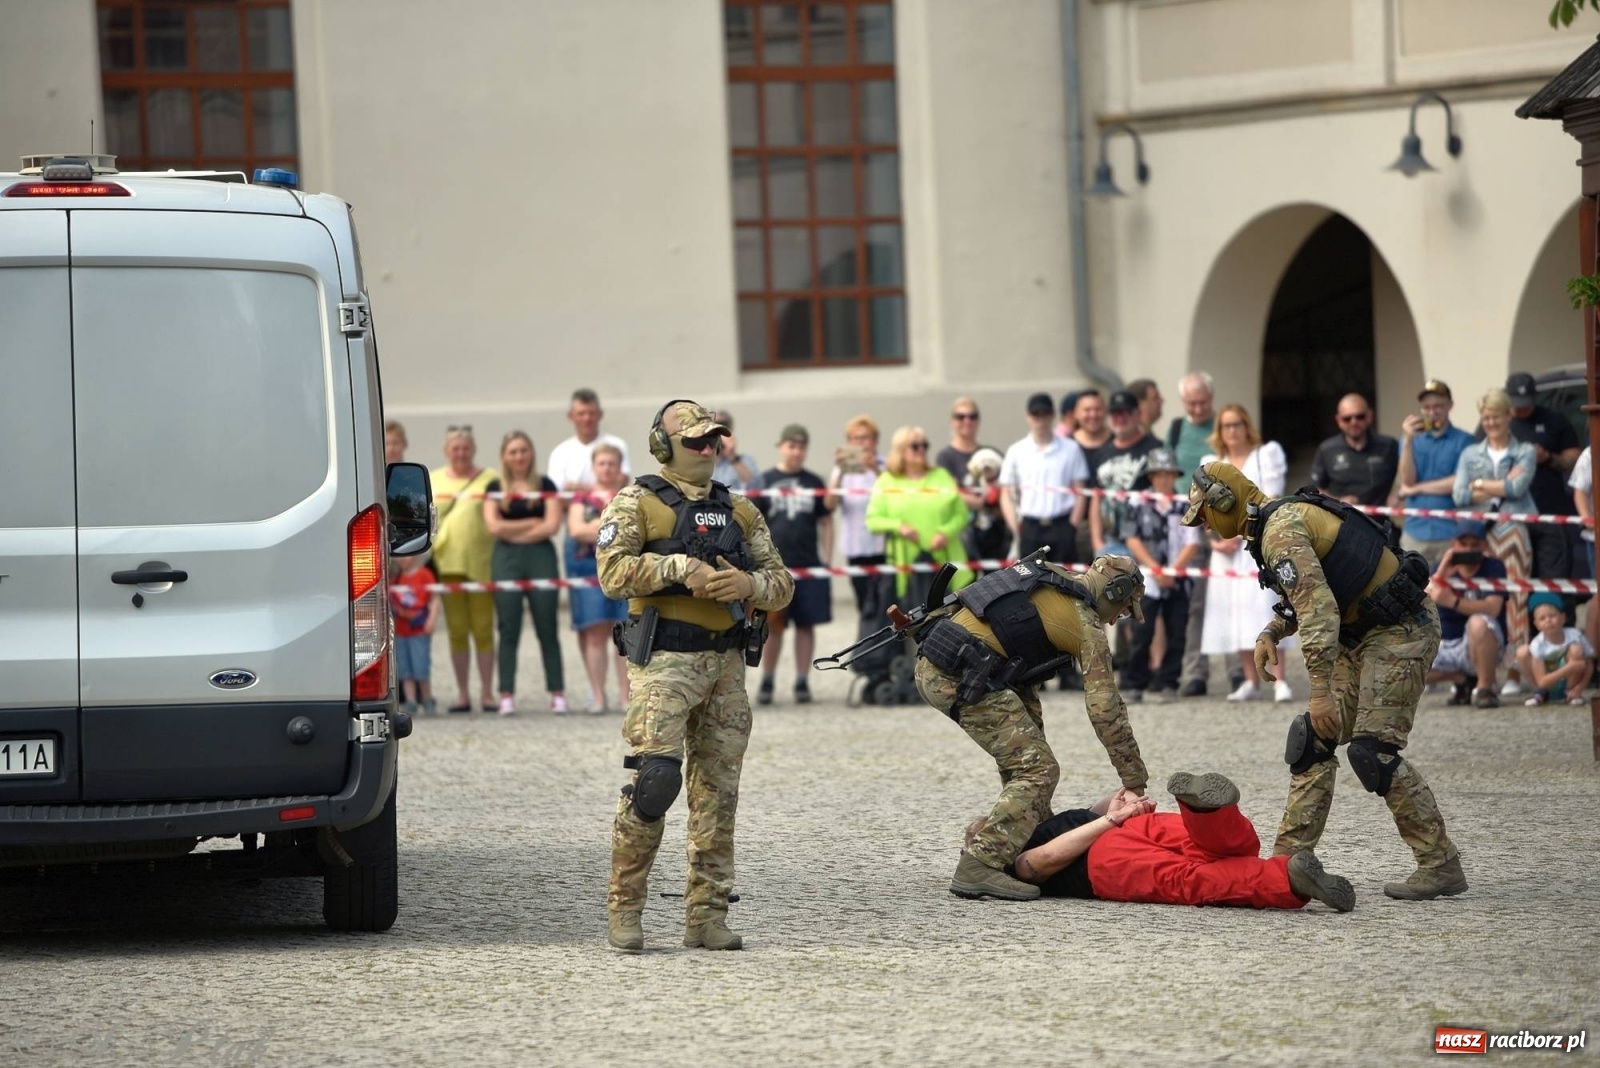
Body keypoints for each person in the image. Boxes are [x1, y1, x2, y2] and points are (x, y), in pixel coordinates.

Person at [1184, 460, 1467, 901]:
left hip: (1400, 629)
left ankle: (1440, 864)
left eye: (1205, 514)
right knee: (1313, 740)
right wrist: (1271, 632)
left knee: (1374, 753)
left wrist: (1319, 692)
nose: (1203, 524)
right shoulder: (1273, 526)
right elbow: (1312, 598)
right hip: (1362, 631)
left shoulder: (1279, 531)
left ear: (1225, 500)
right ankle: (1288, 863)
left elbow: (1319, 613)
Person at [599, 400, 794, 953]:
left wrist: (749, 588)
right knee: (654, 783)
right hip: (664, 664)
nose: (707, 451)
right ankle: (625, 910)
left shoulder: (739, 510)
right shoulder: (636, 502)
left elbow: (782, 581)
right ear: (664, 447)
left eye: (714, 442)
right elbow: (612, 574)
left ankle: (705, 917)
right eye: (695, 442)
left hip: (726, 667)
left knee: (717, 796)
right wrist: (680, 568)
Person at [909, 555, 1151, 900]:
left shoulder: (1050, 575)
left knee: (1028, 758)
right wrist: (1134, 781)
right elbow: (1105, 710)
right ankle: (980, 863)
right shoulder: (1085, 624)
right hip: (960, 676)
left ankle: (1027, 839)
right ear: (1116, 591)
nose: (1115, 621)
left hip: (952, 663)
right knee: (1038, 769)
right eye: (1124, 610)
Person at [1007, 772, 1354, 912]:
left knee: (1193, 879)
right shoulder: (1012, 857)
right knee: (1208, 845)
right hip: (1113, 841)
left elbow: (1085, 818)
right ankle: (1207, 811)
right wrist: (1115, 817)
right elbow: (1037, 864)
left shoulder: (1033, 829)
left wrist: (1115, 806)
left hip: (1110, 855)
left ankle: (1286, 879)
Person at [1196, 405, 1293, 703]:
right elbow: (1203, 511)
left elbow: (1270, 497)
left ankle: (1280, 680)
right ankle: (1250, 679)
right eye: (1226, 426)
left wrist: (1239, 533)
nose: (1232, 431)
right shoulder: (1212, 463)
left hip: (1256, 542)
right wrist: (1215, 540)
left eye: (1237, 424)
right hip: (1225, 550)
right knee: (1233, 611)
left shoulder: (1265, 457)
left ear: (1246, 425)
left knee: (1265, 606)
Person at [1453, 389, 1536, 694]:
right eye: (1485, 417)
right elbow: (1459, 494)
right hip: (1477, 532)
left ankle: (1514, 672)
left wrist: (1479, 485)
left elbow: (1517, 487)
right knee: (1472, 596)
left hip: (1513, 530)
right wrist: (1496, 486)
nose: (1490, 422)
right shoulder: (1470, 454)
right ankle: (1476, 671)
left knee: (1516, 601)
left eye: (1495, 416)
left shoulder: (1524, 450)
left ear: (1508, 416)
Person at [483, 432, 565, 715]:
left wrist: (512, 530)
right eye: (513, 451)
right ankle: (506, 693)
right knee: (508, 628)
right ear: (504, 456)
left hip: (541, 556)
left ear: (531, 453)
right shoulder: (494, 486)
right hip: (506, 559)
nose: (519, 456)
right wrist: (532, 523)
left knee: (547, 626)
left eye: (523, 450)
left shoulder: (545, 485)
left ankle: (557, 692)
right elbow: (493, 527)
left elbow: (552, 525)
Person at [756, 424, 833, 706]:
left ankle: (802, 681)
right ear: (781, 446)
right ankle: (768, 680)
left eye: (801, 447)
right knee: (773, 627)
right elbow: (754, 525)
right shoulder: (764, 480)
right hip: (775, 568)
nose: (796, 452)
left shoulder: (814, 481)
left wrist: (826, 558)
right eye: (791, 446)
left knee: (806, 625)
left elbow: (826, 520)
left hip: (809, 565)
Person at [1121, 447, 1203, 703]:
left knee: (1177, 631)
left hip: (1178, 577)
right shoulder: (1137, 502)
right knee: (1142, 632)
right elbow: (1131, 539)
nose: (1163, 479)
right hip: (1147, 578)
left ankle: (1169, 681)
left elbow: (1192, 542)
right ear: (1151, 476)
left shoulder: (1184, 504)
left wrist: (1173, 570)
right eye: (1158, 474)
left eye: (1168, 474)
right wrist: (1155, 569)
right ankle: (1136, 682)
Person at [431, 427, 499, 713]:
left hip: (481, 563)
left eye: (465, 448)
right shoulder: (433, 478)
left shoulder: (490, 478)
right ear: (447, 451)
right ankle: (462, 694)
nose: (461, 453)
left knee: (483, 630)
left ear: (473, 449)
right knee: (457, 631)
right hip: (446, 563)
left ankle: (486, 693)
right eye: (455, 448)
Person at [865, 426, 973, 602]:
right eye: (915, 446)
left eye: (925, 445)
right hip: (907, 568)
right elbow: (873, 521)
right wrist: (899, 527)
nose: (921, 450)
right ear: (901, 450)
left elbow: (961, 514)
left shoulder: (941, 476)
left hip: (947, 561)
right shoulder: (886, 481)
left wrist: (946, 532)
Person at [566, 443, 631, 713]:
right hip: (588, 571)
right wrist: (610, 527)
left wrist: (597, 528)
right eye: (602, 463)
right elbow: (576, 530)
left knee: (625, 635)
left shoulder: (630, 496)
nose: (606, 468)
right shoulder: (581, 500)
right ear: (594, 467)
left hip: (625, 571)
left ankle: (626, 697)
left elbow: (635, 531)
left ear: (619, 468)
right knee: (595, 634)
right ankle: (598, 695)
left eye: (612, 463)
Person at [1167, 372, 1220, 698]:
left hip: (1222, 522)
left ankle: (1240, 671)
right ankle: (1194, 671)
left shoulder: (1221, 426)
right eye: (1191, 403)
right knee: (1195, 603)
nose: (1198, 408)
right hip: (1188, 523)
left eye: (1202, 402)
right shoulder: (1176, 430)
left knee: (1232, 598)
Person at [1502, 372, 1581, 586]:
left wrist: (1547, 457)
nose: (1522, 409)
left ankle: (1559, 618)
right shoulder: (1498, 423)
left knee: (1554, 580)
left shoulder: (1554, 420)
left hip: (1550, 514)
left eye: (1526, 403)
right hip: (1512, 517)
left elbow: (1574, 459)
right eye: (1517, 404)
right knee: (1517, 581)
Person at [999, 392, 1090, 566]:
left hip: (1062, 523)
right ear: (1028, 417)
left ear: (1053, 415)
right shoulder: (1017, 451)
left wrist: (1072, 526)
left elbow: (1080, 490)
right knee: (1029, 583)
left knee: (1065, 582)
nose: (1041, 420)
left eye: (1045, 414)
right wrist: (1015, 528)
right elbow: (1006, 493)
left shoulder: (1070, 449)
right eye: (1036, 415)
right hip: (1030, 526)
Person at [1425, 521, 1506, 709]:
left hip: (1481, 643)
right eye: (1463, 544)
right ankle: (1462, 679)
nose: (1468, 549)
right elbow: (1423, 596)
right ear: (1454, 545)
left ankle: (1486, 688)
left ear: (1484, 546)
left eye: (1474, 545)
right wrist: (1442, 571)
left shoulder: (1494, 567)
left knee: (1479, 622)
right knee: (1406, 664)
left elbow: (1493, 609)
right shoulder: (1440, 569)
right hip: (1446, 645)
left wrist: (1453, 601)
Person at [1396, 379, 1475, 568]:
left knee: (1449, 593)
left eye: (1438, 406)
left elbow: (1459, 482)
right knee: (1411, 591)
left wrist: (1415, 490)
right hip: (1415, 530)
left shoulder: (1465, 440)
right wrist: (1407, 441)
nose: (1432, 412)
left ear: (1450, 405)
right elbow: (1407, 480)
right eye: (1427, 407)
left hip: (1450, 531)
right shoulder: (1410, 440)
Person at [1088, 389, 1160, 560]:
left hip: (1146, 542)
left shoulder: (1155, 449)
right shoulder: (1101, 453)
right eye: (1115, 413)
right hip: (1110, 542)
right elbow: (1096, 499)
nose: (1120, 418)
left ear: (1138, 414)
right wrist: (1097, 542)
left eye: (1126, 412)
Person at [826, 414, 887, 615]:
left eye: (865, 438)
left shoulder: (886, 465)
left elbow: (894, 498)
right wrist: (841, 472)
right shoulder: (841, 469)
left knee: (885, 603)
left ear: (875, 440)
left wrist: (876, 470)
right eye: (855, 439)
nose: (861, 443)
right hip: (855, 546)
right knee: (864, 605)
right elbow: (829, 504)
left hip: (883, 545)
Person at [1310, 393, 1399, 508]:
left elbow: (1408, 477)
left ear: (1369, 416)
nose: (1354, 422)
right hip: (1340, 520)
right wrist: (1338, 501)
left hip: (1379, 521)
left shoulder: (1388, 445)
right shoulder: (1327, 449)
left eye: (1360, 416)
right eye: (1347, 418)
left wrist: (1397, 495)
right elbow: (1314, 490)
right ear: (1338, 420)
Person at [546, 388, 631, 495]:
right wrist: (598, 488)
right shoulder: (559, 452)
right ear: (571, 416)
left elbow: (622, 481)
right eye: (581, 414)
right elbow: (558, 490)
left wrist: (577, 487)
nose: (587, 418)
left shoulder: (617, 444)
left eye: (591, 413)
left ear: (600, 415)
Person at [1516, 593, 1594, 706]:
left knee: (1576, 649)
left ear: (1563, 618)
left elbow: (1589, 664)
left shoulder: (1575, 636)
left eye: (1552, 616)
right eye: (1542, 618)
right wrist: (1570, 667)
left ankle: (1571, 692)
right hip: (1546, 684)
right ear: (1536, 624)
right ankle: (1540, 692)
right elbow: (1542, 681)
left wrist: (1580, 687)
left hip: (1570, 682)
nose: (1548, 620)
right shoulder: (1538, 644)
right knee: (1522, 651)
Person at [389, 553, 439, 717]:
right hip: (401, 631)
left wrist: (432, 619)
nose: (402, 559)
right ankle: (410, 700)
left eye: (406, 555)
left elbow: (434, 598)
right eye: (399, 555)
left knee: (421, 666)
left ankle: (427, 698)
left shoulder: (425, 574)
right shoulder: (396, 578)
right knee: (404, 668)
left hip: (419, 630)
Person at [935, 396, 989, 519]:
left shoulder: (989, 454)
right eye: (960, 417)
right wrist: (980, 502)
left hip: (991, 528)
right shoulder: (945, 457)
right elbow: (948, 492)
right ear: (952, 421)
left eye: (972, 417)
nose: (967, 421)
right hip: (960, 524)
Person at [1569, 445, 1598, 660]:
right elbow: (1580, 490)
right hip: (1596, 539)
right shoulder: (1591, 453)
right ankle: (1592, 660)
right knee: (1598, 597)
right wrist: (1588, 520)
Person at [711, 408, 764, 493]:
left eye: (724, 425)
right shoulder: (702, 459)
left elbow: (755, 486)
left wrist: (732, 456)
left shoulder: (746, 460)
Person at [1072, 389, 1111, 458]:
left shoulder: (1119, 442)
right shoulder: (1068, 446)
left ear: (1106, 411)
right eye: (1087, 410)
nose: (1093, 415)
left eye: (1098, 409)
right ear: (1076, 414)